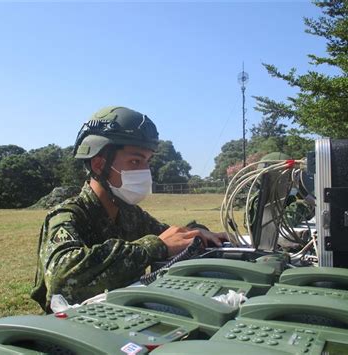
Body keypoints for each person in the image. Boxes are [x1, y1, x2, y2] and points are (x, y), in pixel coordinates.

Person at [31, 106, 227, 312]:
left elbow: (169, 236)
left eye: (147, 162)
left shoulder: (128, 214)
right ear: (99, 165)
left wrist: (197, 232)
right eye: (135, 161)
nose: (145, 171)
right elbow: (63, 278)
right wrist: (154, 247)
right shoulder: (67, 216)